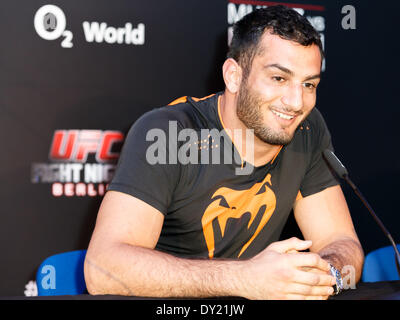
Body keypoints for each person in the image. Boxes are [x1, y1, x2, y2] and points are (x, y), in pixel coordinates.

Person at [84, 5, 364, 300]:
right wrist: (243, 279)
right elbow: (102, 269)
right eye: (279, 79)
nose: (296, 102)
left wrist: (322, 275)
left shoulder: (308, 130)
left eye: (309, 84)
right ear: (233, 76)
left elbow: (343, 243)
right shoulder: (169, 133)